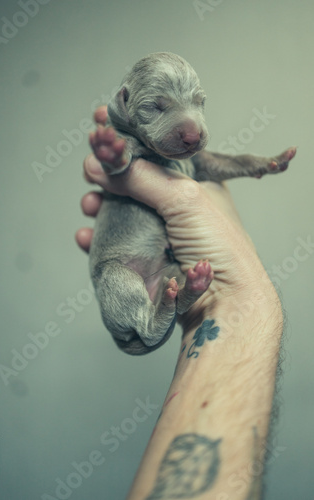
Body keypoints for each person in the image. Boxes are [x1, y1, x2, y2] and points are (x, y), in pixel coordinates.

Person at [76, 106, 283, 500]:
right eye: (159, 107)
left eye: (197, 103)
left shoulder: (183, 156)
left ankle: (184, 296)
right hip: (124, 272)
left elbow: (212, 162)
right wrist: (113, 155)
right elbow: (122, 163)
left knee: (179, 278)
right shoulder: (134, 139)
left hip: (166, 265)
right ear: (126, 105)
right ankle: (163, 313)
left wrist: (260, 164)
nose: (189, 126)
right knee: (121, 278)